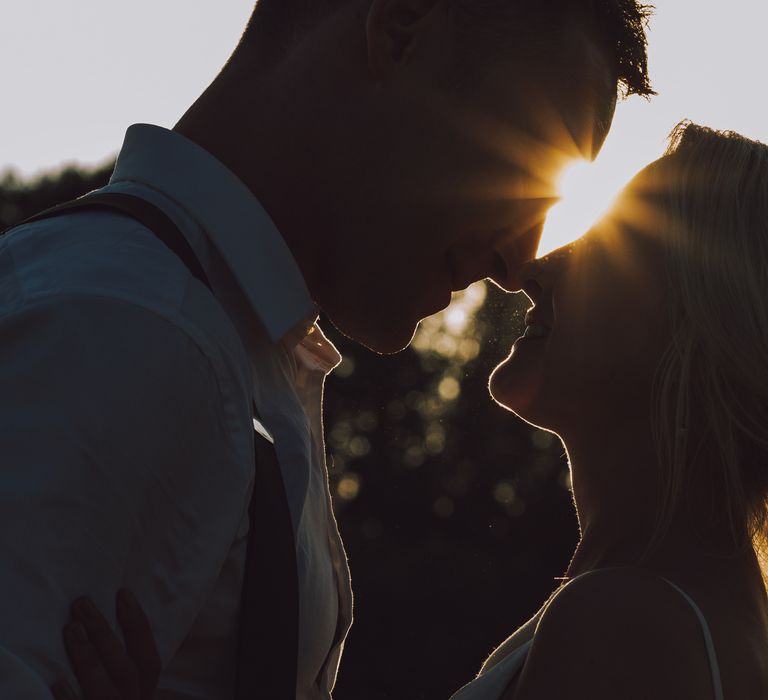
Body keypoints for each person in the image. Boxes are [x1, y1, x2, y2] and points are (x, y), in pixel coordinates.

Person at [0, 1, 652, 699]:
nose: (518, 260)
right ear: (399, 31)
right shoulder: (128, 335)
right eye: (526, 160)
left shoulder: (212, 340)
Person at [55, 122, 768, 699]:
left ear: (704, 328)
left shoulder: (625, 625)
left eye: (617, 242)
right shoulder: (681, 609)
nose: (540, 267)